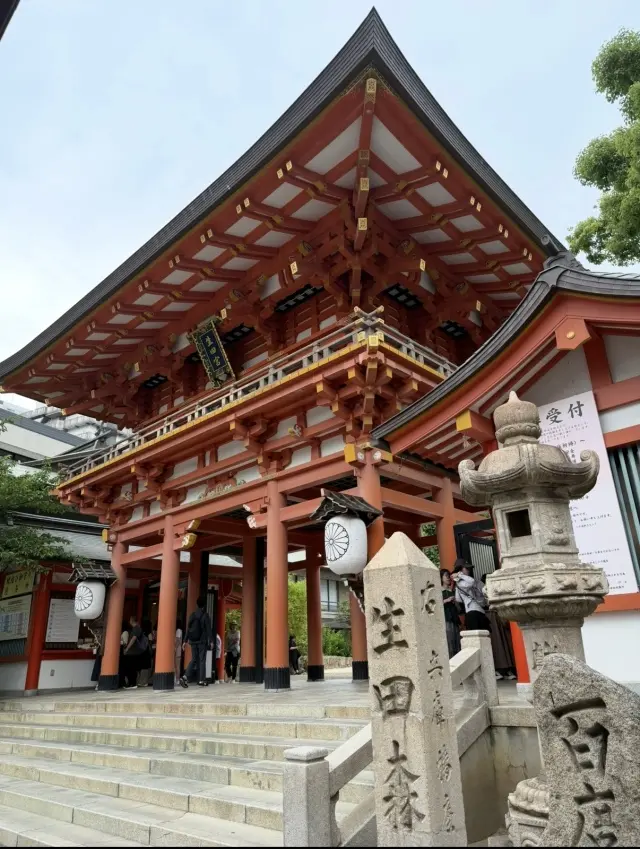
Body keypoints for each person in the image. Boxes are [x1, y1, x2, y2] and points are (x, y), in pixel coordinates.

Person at [480, 574, 517, 680]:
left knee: (506, 641)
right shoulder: (484, 589)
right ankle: (500, 669)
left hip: (500, 614)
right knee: (498, 643)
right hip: (491, 615)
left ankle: (509, 668)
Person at [180, 596, 212, 688]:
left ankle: (185, 677)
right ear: (204, 605)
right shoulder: (205, 615)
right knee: (202, 660)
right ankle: (201, 680)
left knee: (194, 659)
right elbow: (209, 629)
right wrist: (212, 641)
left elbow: (188, 629)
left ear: (197, 604)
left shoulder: (192, 615)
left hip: (193, 641)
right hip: (202, 641)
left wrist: (185, 641)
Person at [452, 559, 491, 632]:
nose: (469, 570)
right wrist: (460, 575)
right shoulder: (461, 583)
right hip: (474, 612)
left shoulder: (462, 583)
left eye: (469, 568)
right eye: (466, 568)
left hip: (475, 611)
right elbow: (471, 582)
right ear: (459, 569)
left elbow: (458, 599)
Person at [122, 614, 147, 689]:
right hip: (133, 651)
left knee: (131, 668)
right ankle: (131, 683)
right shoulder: (136, 628)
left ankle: (132, 683)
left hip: (133, 651)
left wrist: (127, 648)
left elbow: (134, 639)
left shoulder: (136, 628)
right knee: (131, 668)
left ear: (132, 620)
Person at [441, 569, 461, 658]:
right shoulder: (438, 590)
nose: (448, 577)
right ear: (441, 577)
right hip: (446, 617)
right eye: (446, 575)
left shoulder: (452, 589)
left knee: (457, 639)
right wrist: (446, 600)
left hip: (454, 617)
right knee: (449, 640)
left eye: (449, 575)